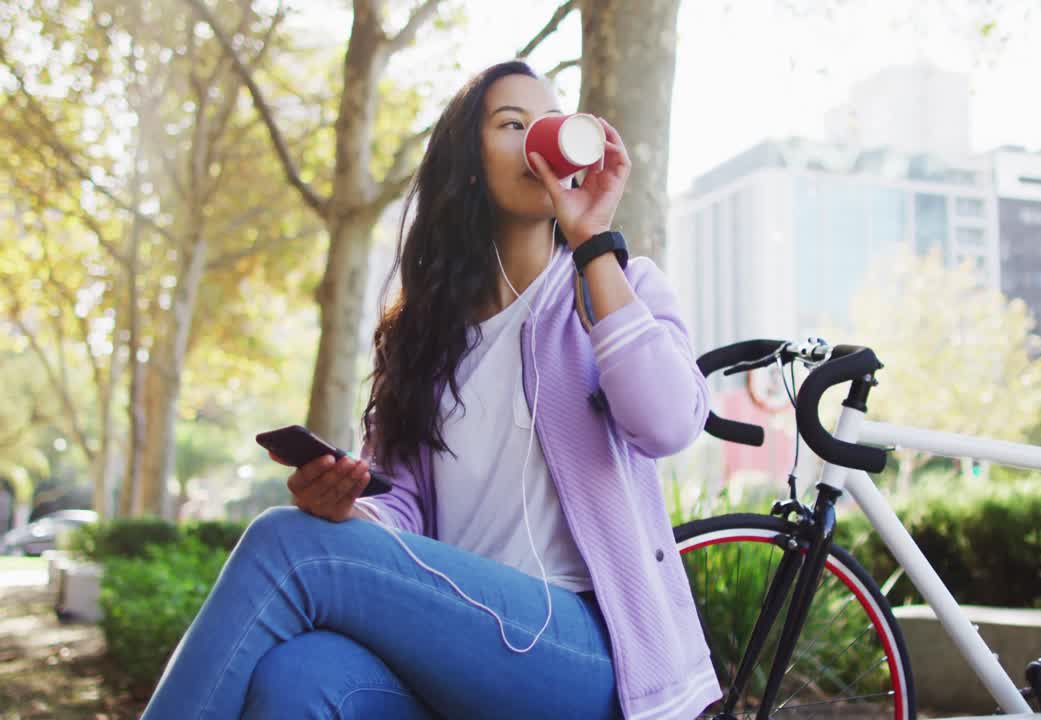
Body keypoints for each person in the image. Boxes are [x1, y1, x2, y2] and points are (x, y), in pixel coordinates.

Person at [140, 60, 720, 720]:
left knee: (284, 545)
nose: (539, 139)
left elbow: (668, 423)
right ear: (469, 164)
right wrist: (346, 509)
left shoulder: (620, 283)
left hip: (583, 651)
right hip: (454, 647)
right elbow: (401, 507)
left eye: (550, 122)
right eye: (513, 125)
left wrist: (593, 244)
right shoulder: (422, 341)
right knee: (298, 676)